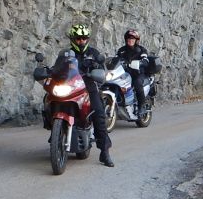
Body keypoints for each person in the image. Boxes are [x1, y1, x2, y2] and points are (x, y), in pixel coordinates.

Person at [60, 23, 113, 166]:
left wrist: (98, 69)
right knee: (51, 100)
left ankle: (104, 152)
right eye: (78, 38)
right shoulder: (66, 54)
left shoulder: (94, 54)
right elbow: (57, 67)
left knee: (98, 113)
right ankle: (57, 134)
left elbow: (103, 70)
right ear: (73, 39)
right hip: (71, 86)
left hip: (89, 87)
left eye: (84, 38)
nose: (81, 41)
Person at [115, 28, 154, 118]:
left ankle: (141, 106)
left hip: (138, 73)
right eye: (128, 38)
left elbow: (145, 60)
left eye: (132, 38)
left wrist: (140, 63)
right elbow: (115, 60)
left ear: (136, 40)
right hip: (125, 74)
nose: (130, 40)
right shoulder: (121, 50)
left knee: (137, 83)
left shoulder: (141, 50)